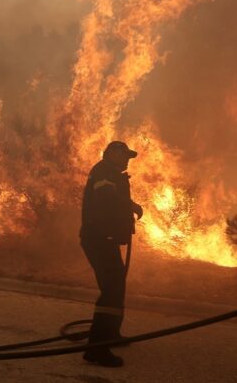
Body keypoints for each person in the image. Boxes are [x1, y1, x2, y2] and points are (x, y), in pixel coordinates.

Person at [80, 140, 143, 367]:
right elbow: (106, 197)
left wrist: (131, 205)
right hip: (98, 239)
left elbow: (115, 197)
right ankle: (96, 349)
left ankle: (111, 334)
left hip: (105, 240)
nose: (127, 160)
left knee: (116, 286)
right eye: (124, 155)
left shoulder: (112, 173)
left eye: (128, 156)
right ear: (112, 153)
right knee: (110, 290)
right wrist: (129, 206)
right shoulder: (103, 171)